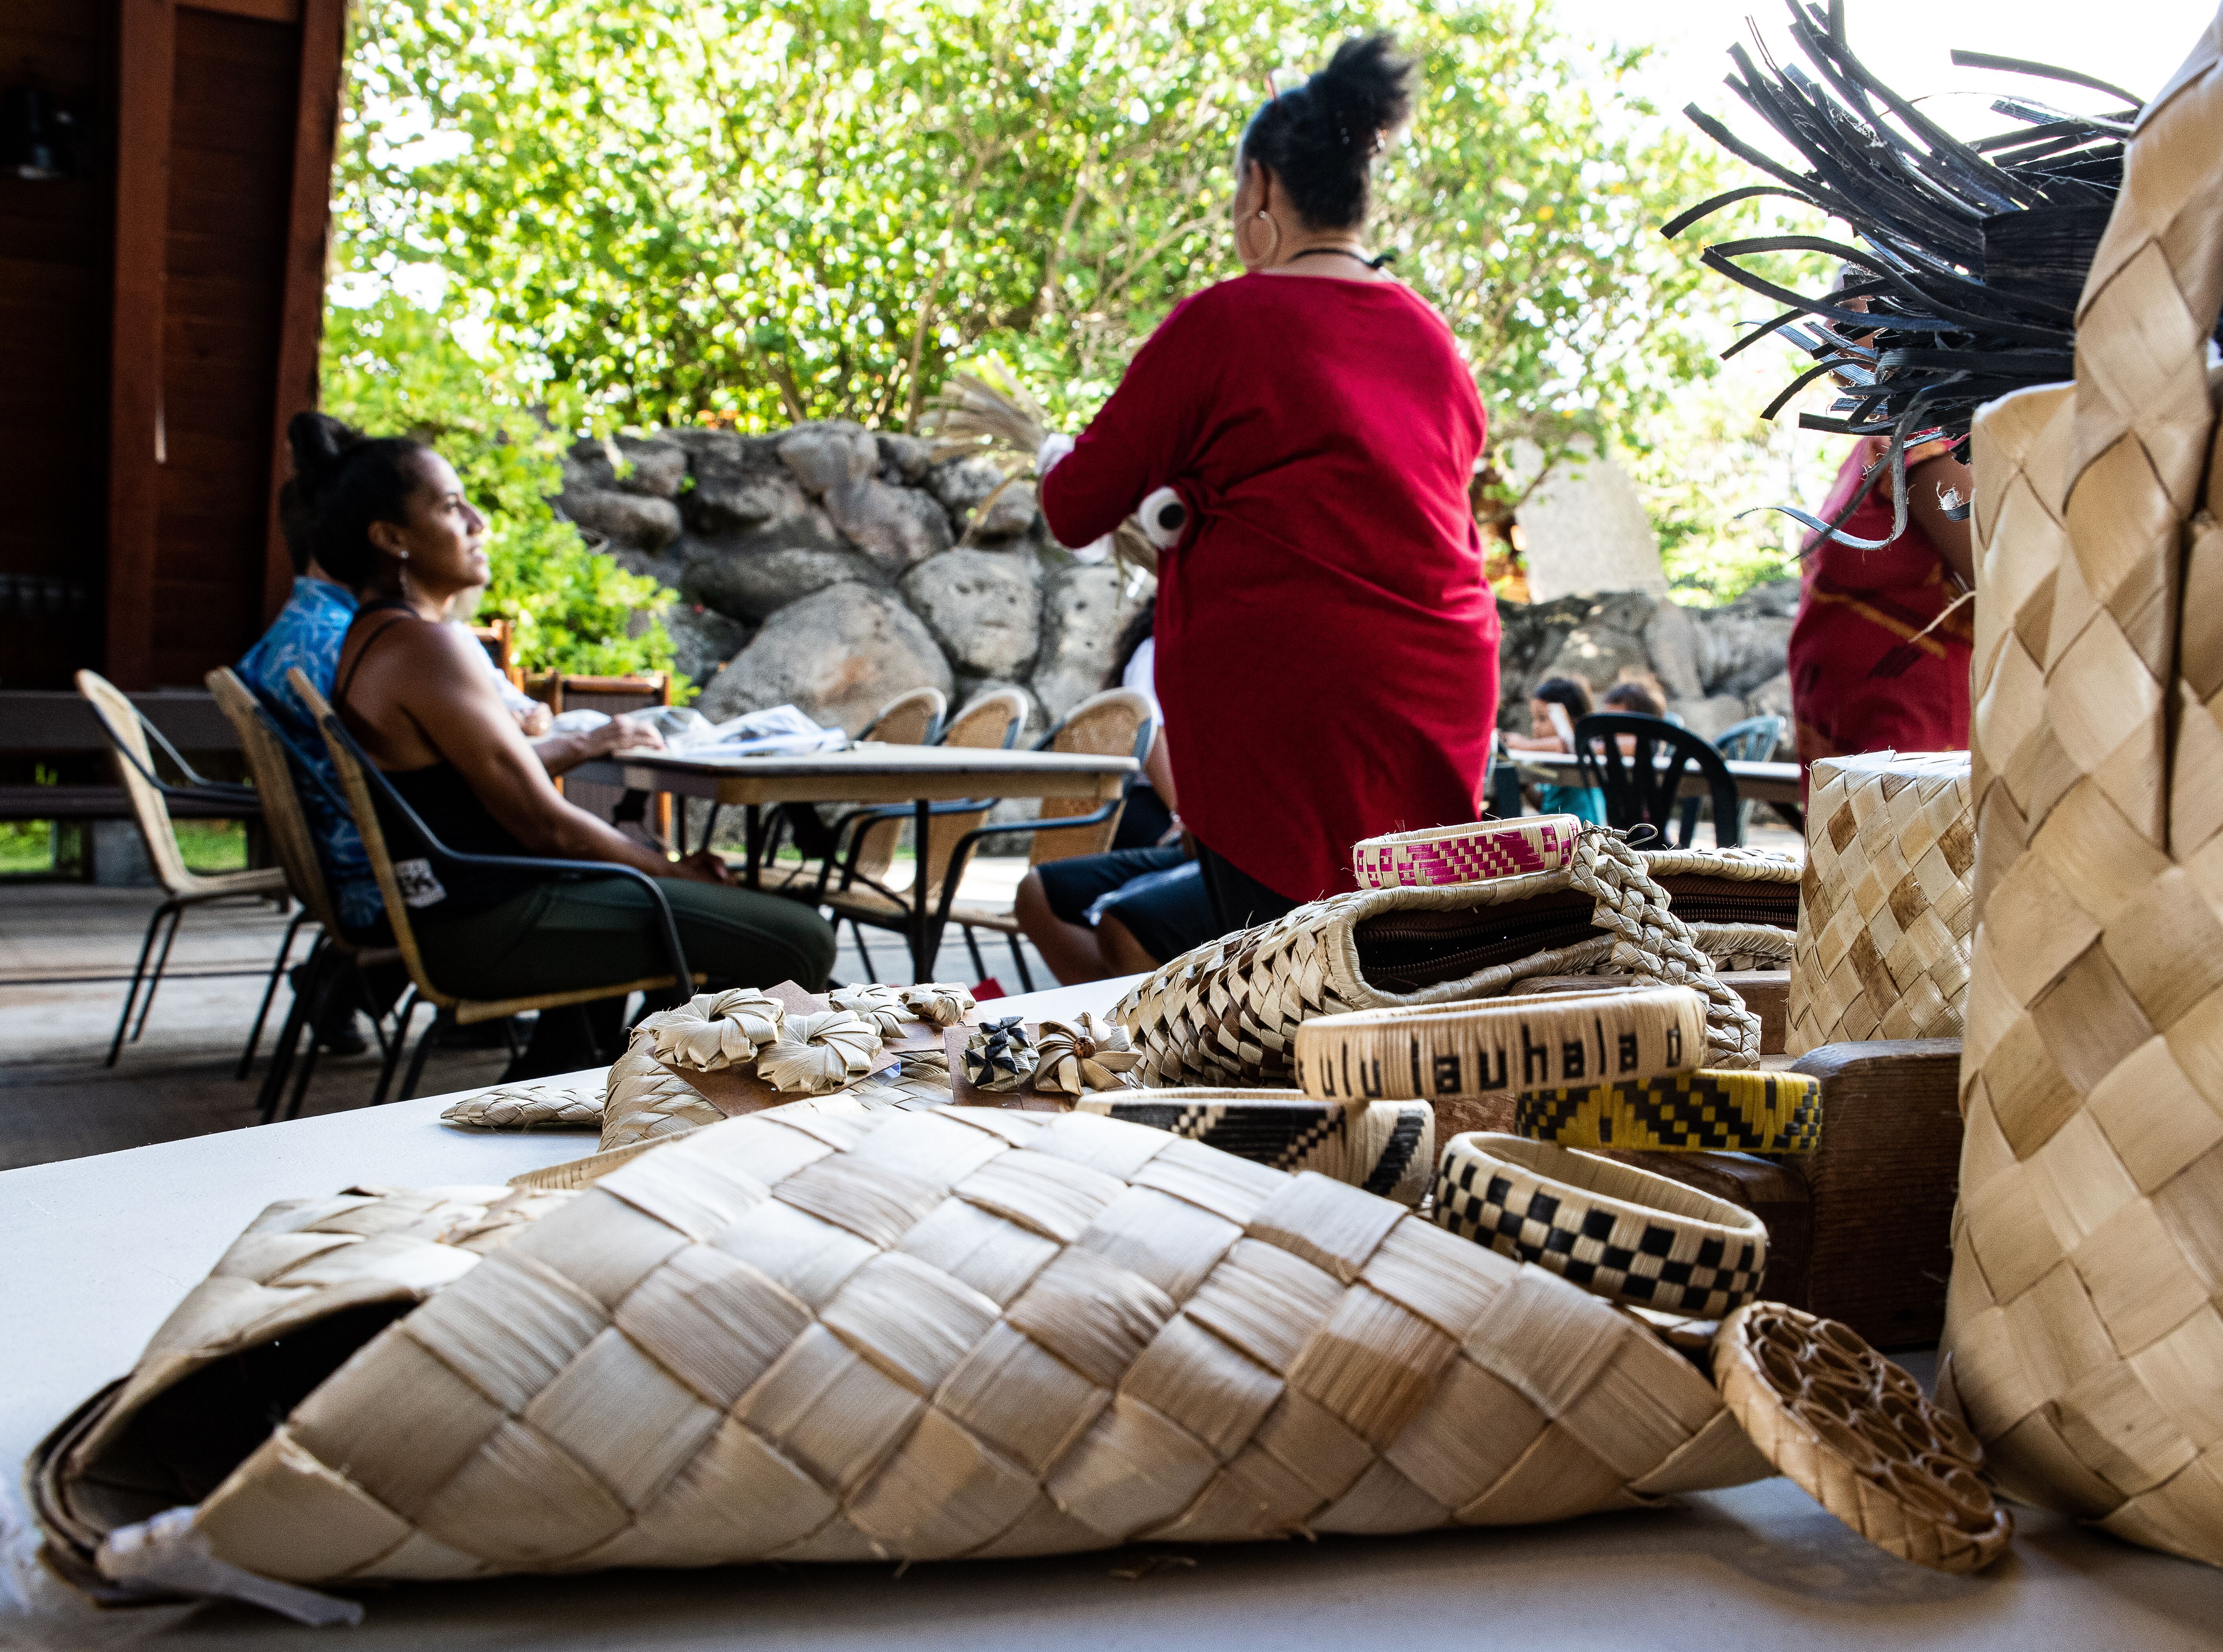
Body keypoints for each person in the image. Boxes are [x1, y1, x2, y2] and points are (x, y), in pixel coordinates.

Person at [1039, 35, 1498, 935]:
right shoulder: (1433, 343)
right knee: (1393, 972)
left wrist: (1060, 456)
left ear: (1258, 189)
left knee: (1282, 991)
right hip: (1434, 696)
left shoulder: (1222, 323)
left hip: (1285, 712)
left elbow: (1073, 506)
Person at [290, 413, 835, 1075]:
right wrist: (665, 868)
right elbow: (546, 825)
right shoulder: (423, 647)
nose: (477, 524)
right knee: (801, 937)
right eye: (451, 507)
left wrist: (650, 863)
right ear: (392, 538)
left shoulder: (378, 638)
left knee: (696, 906)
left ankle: (580, 1071)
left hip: (469, 905)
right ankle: (666, 1093)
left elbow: (499, 790)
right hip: (488, 922)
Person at [1015, 609, 1219, 982]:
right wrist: (1181, 811)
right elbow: (1152, 729)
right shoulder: (1158, 648)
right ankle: (1107, 1024)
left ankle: (1140, 1021)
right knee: (1036, 891)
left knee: (1128, 924)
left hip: (1204, 821)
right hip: (1152, 803)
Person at [1502, 675, 1604, 823]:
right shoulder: (1548, 759)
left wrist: (1524, 745)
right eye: (1534, 719)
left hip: (1585, 831)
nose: (1535, 726)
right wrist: (1525, 787)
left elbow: (1564, 744)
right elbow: (1546, 805)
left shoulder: (1578, 752)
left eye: (1543, 719)